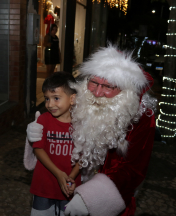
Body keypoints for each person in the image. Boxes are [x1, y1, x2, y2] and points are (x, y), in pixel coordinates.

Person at [27, 44, 157, 216]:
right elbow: (58, 115)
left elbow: (133, 170)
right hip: (70, 182)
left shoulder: (141, 117)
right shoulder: (84, 99)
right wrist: (34, 132)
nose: (96, 92)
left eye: (108, 86)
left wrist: (92, 197)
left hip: (111, 197)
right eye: (93, 82)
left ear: (125, 90)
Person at [24, 72, 81, 216]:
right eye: (47, 99)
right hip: (44, 184)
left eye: (56, 98)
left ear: (72, 98)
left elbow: (84, 154)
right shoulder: (44, 120)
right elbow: (38, 148)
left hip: (70, 185)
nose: (49, 104)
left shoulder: (81, 123)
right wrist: (59, 174)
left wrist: (71, 177)